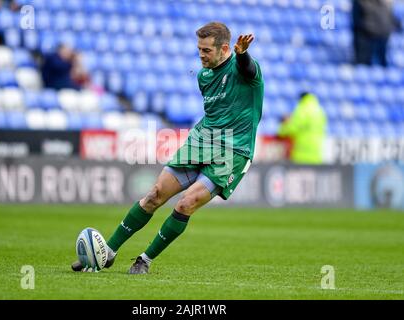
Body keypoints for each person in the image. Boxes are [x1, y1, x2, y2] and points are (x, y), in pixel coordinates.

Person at [72, 22, 264, 274]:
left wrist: (243, 55)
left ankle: (145, 260)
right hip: (202, 140)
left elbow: (247, 70)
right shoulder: (203, 76)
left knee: (186, 203)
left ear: (224, 48)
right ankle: (107, 251)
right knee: (154, 194)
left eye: (206, 50)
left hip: (232, 150)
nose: (201, 55)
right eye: (199, 49)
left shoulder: (245, 69)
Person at [277, 92, 327, 164]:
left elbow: (293, 128)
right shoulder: (320, 110)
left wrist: (281, 130)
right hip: (317, 153)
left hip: (302, 153)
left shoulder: (302, 109)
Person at [352, 0, 402, 67]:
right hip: (367, 37)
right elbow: (364, 19)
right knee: (364, 64)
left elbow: (388, 17)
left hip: (382, 35)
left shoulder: (385, 4)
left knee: (382, 63)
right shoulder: (364, 3)